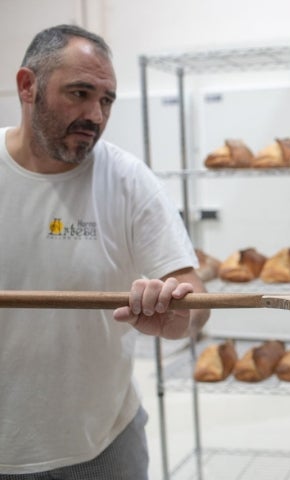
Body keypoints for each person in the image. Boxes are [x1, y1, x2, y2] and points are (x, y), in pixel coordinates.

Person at [0, 24, 210, 478]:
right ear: (27, 86)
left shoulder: (128, 180)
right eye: (79, 93)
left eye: (107, 100)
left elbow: (195, 295)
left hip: (103, 443)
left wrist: (179, 316)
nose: (95, 114)